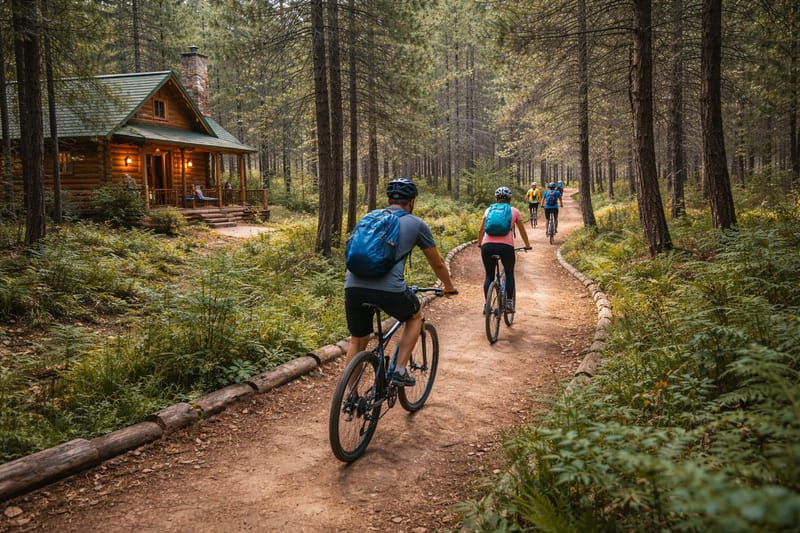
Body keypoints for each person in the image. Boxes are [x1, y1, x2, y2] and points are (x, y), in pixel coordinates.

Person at [344, 178, 457, 387]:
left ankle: (349, 394)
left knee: (358, 339)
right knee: (414, 316)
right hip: (389, 290)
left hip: (353, 287)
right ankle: (399, 370)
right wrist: (449, 287)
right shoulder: (416, 224)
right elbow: (438, 263)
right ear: (411, 202)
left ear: (388, 199)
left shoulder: (369, 217)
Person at [478, 186, 531, 313]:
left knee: (489, 276)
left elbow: (481, 230)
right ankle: (508, 303)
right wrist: (527, 245)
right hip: (506, 247)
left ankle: (487, 305)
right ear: (510, 199)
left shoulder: (489, 210)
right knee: (509, 273)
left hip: (487, 246)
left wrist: (480, 244)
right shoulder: (515, 211)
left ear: (496, 198)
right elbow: (522, 231)